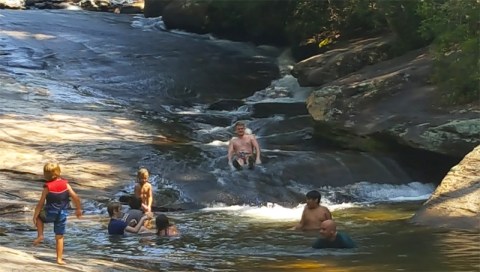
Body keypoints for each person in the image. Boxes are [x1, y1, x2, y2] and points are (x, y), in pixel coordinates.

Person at [32, 162, 82, 265]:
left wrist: (35, 215)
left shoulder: (47, 187)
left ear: (45, 175)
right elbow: (75, 197)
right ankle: (59, 259)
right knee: (59, 236)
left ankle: (40, 235)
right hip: (62, 213)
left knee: (39, 217)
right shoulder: (65, 184)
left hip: (50, 212)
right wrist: (78, 209)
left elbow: (40, 203)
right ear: (59, 172)